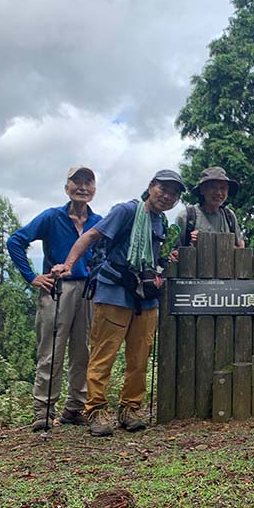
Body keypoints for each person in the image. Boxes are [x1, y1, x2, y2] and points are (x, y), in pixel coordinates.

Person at [52, 170, 184, 437]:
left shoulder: (161, 223)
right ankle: (95, 410)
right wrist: (68, 264)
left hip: (144, 296)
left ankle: (130, 409)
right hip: (114, 292)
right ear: (151, 186)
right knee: (104, 354)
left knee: (140, 356)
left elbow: (153, 258)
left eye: (174, 193)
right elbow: (91, 236)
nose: (167, 196)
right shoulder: (127, 211)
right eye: (163, 189)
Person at [7, 166, 102, 431]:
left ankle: (75, 408)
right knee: (51, 351)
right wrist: (32, 277)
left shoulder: (98, 221)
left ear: (94, 189)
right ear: (66, 188)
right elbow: (15, 241)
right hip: (56, 289)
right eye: (77, 181)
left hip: (88, 291)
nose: (82, 187)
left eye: (88, 182)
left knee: (83, 351)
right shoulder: (51, 217)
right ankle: (43, 411)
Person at [177, 166, 244, 248]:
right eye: (213, 187)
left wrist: (228, 246)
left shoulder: (229, 217)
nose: (219, 193)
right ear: (202, 190)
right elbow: (174, 251)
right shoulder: (187, 216)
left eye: (223, 188)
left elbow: (240, 246)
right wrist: (191, 242)